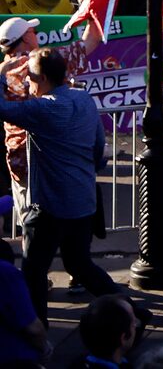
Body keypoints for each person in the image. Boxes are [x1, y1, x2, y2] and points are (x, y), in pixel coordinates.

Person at [0, 48, 115, 320]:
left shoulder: (43, 108)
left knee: (33, 271)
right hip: (83, 201)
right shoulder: (83, 99)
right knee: (80, 264)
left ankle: (38, 331)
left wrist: (2, 73)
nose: (27, 82)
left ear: (41, 80)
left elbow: (2, 108)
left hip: (49, 207)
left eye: (29, 77)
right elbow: (98, 145)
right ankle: (130, 309)